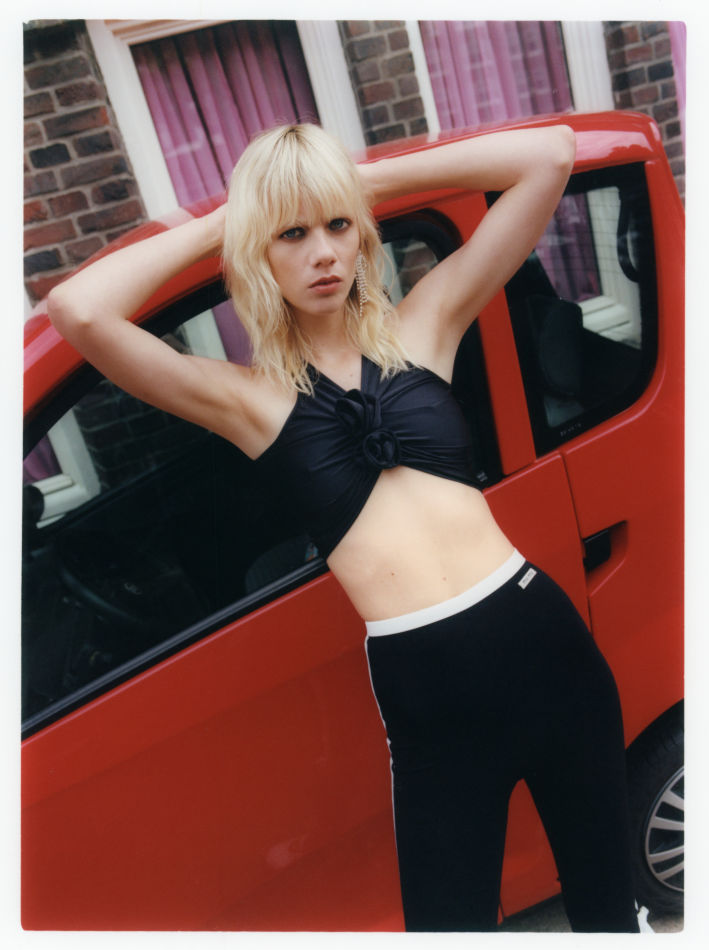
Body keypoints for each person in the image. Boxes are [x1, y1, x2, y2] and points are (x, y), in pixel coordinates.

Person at [48, 122, 640, 932]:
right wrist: (236, 219)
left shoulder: (426, 324)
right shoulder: (245, 400)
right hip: (431, 702)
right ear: (258, 252)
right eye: (291, 235)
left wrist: (357, 187)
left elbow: (550, 157)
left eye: (337, 227)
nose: (323, 253)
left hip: (548, 652)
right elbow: (79, 311)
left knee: (608, 916)